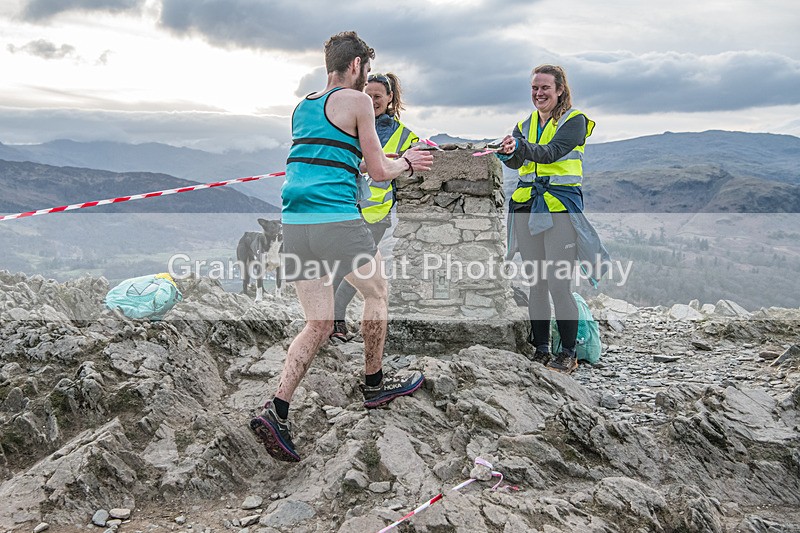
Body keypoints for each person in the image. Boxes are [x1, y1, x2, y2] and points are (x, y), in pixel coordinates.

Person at [249, 31, 433, 463]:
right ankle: (374, 385)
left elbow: (329, 155)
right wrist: (409, 161)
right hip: (336, 219)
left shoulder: (302, 106)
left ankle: (277, 409)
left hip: (294, 223)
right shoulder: (359, 102)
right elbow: (379, 170)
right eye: (365, 70)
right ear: (356, 67)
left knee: (318, 322)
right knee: (377, 293)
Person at [496, 64, 606, 374]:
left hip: (559, 207)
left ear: (560, 90)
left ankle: (568, 353)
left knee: (559, 283)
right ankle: (542, 347)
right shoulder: (525, 124)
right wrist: (506, 151)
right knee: (537, 283)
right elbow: (520, 161)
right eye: (534, 88)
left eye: (545, 87)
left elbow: (552, 152)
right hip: (527, 206)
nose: (539, 93)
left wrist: (521, 146)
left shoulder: (575, 121)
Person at [330, 72, 419, 343]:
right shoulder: (352, 125)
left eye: (377, 96)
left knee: (356, 269)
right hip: (346, 208)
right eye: (367, 95)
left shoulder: (405, 136)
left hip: (376, 214)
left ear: (390, 98)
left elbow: (420, 160)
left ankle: (336, 319)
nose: (372, 100)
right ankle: (334, 322)